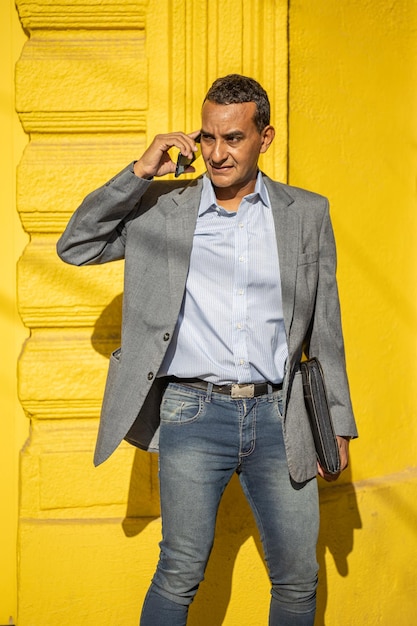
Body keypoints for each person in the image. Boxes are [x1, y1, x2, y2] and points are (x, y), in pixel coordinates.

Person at [57, 74, 358, 626]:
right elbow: (76, 246)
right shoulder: (159, 210)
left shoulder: (306, 214)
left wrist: (336, 421)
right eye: (207, 137)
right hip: (192, 413)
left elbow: (326, 327)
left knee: (297, 578)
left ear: (264, 138)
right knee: (179, 570)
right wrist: (139, 171)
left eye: (234, 139)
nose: (217, 154)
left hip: (280, 414)